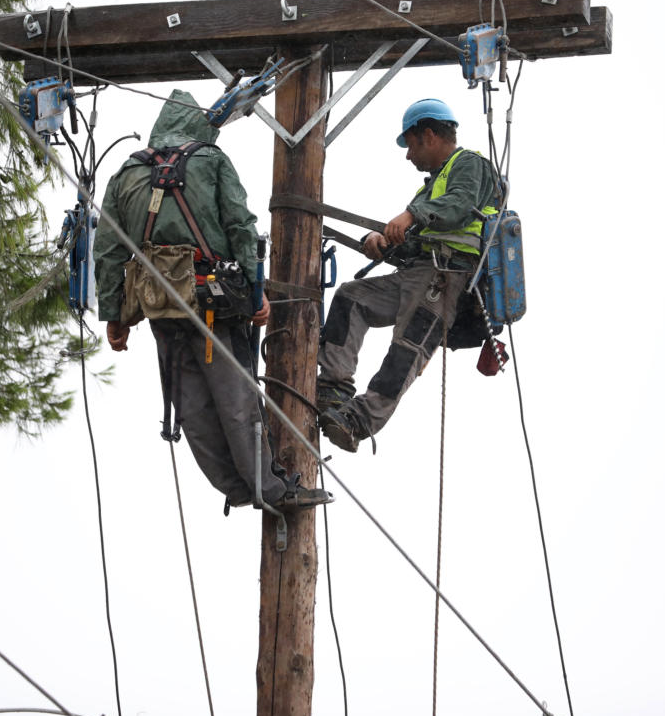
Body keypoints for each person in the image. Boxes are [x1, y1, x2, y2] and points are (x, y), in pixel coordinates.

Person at [94, 89, 332, 512]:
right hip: (213, 303)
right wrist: (257, 293)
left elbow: (109, 250)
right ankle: (271, 490)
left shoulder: (126, 173)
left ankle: (236, 486)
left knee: (189, 406)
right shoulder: (210, 160)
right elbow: (241, 225)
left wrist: (114, 316)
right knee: (237, 400)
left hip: (161, 308)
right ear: (196, 124)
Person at [317, 98, 500, 452]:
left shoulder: (470, 165)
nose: (408, 156)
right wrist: (385, 244)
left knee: (406, 350)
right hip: (419, 273)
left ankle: (359, 420)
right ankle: (333, 387)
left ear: (428, 135)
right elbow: (424, 238)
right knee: (351, 297)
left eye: (411, 145)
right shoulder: (432, 187)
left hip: (446, 278)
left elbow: (460, 206)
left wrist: (411, 215)